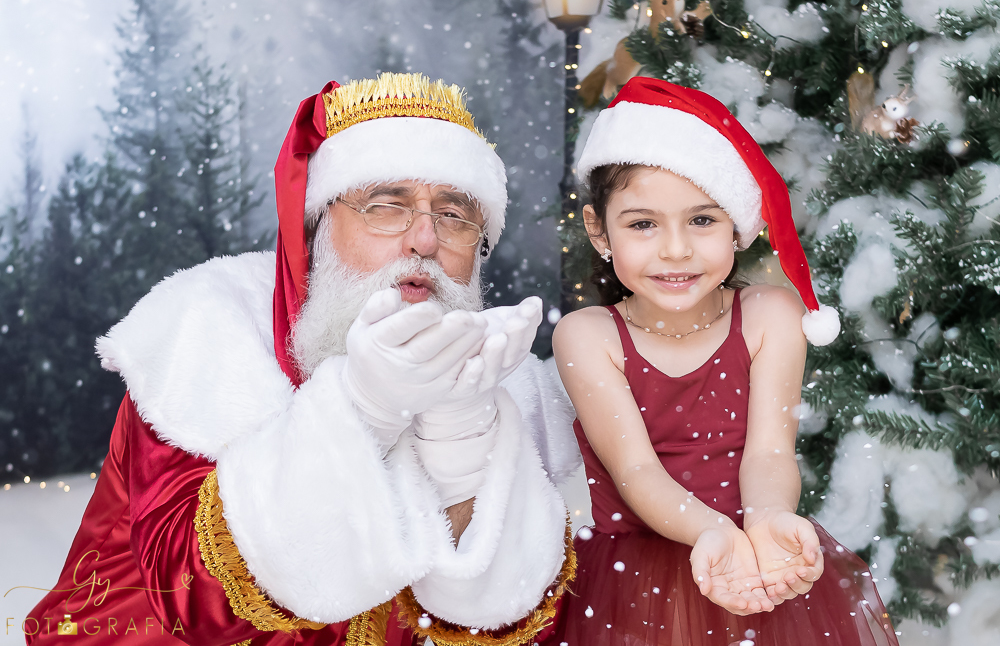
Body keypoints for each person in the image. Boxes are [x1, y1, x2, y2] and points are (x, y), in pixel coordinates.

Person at [25, 72, 581, 646]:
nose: (424, 239)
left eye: (454, 214)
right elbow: (194, 600)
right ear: (315, 231)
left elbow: (509, 626)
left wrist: (462, 438)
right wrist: (363, 409)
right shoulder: (208, 340)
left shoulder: (505, 385)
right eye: (386, 205)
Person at [538, 77, 898, 646]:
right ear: (597, 230)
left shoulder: (768, 316)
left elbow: (770, 451)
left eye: (702, 220)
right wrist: (712, 533)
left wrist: (769, 518)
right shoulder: (590, 336)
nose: (675, 249)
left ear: (737, 225)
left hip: (756, 560)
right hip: (633, 585)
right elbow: (636, 471)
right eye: (642, 223)